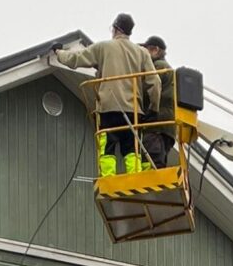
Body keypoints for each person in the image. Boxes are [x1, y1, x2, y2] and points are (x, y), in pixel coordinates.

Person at [53, 13, 160, 177]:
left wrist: (58, 52)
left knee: (108, 147)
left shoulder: (103, 47)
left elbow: (75, 59)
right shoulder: (142, 53)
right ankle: (134, 179)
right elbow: (155, 82)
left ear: (116, 29)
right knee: (132, 148)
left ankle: (108, 179)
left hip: (108, 107)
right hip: (133, 111)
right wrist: (153, 108)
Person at [139, 35, 175, 170]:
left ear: (155, 50)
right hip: (165, 126)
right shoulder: (166, 68)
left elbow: (147, 88)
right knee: (157, 159)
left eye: (146, 50)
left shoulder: (158, 67)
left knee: (152, 159)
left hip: (157, 123)